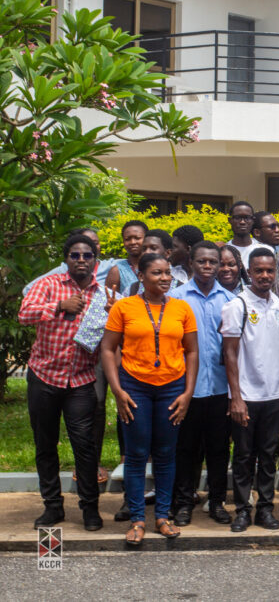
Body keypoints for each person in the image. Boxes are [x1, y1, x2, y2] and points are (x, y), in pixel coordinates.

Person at [100, 253, 198, 545]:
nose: (165, 278)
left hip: (171, 387)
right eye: (157, 273)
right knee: (137, 454)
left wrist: (188, 393)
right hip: (135, 387)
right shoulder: (124, 307)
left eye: (167, 272)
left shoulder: (182, 308)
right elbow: (108, 349)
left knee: (166, 454)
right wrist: (117, 390)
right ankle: (137, 519)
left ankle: (163, 517)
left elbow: (192, 351)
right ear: (141, 277)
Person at [18, 234, 105, 531]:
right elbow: (24, 314)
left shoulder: (104, 294)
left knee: (85, 446)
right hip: (44, 376)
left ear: (94, 260)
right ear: (66, 259)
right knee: (45, 444)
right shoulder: (48, 285)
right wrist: (58, 306)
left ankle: (90, 508)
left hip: (81, 379)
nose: (81, 260)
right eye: (75, 255)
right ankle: (52, 506)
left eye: (87, 256)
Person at [221, 248, 279, 532]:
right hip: (246, 396)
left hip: (273, 394)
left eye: (269, 270)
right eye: (259, 270)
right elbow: (229, 353)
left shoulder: (278, 303)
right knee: (243, 456)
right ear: (248, 272)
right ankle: (242, 510)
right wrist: (236, 397)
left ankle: (265, 509)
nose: (265, 275)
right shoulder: (237, 305)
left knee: (268, 455)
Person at [166, 241, 235, 527]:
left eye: (213, 262)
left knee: (218, 449)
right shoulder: (175, 298)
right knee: (185, 448)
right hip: (186, 389)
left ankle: (217, 502)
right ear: (191, 263)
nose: (208, 266)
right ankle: (183, 503)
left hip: (220, 387)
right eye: (202, 261)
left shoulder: (230, 300)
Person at [106, 220, 149, 296]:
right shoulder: (117, 271)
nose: (132, 242)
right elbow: (110, 299)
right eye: (127, 239)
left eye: (137, 238)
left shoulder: (158, 266)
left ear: (147, 239)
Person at [226, 201, 272, 268]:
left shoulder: (266, 250)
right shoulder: (224, 251)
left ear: (253, 220)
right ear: (230, 220)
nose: (242, 222)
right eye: (238, 218)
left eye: (247, 218)